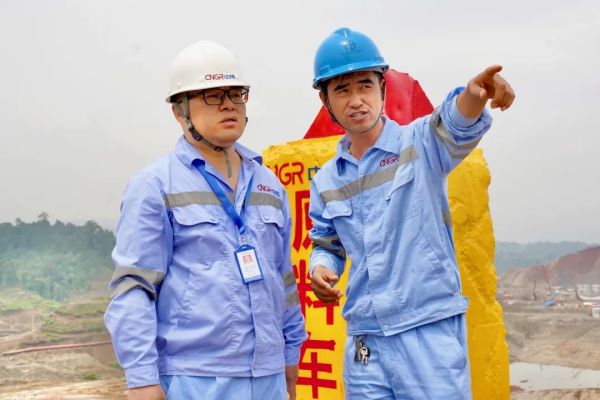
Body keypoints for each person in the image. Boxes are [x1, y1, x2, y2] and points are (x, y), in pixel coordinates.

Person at [308, 27, 514, 399]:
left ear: (382, 89)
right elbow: (326, 243)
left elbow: (454, 123)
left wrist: (475, 95)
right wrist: (321, 268)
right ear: (326, 101)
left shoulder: (419, 144)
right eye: (342, 90)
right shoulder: (326, 180)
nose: (356, 100)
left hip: (426, 327)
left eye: (365, 85)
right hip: (365, 339)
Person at [104, 40, 307, 400]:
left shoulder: (269, 184)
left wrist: (291, 355)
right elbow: (134, 286)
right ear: (179, 111)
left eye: (236, 94)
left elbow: (283, 278)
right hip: (195, 379)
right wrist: (142, 379)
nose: (228, 104)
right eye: (212, 96)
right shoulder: (155, 186)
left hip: (270, 377)